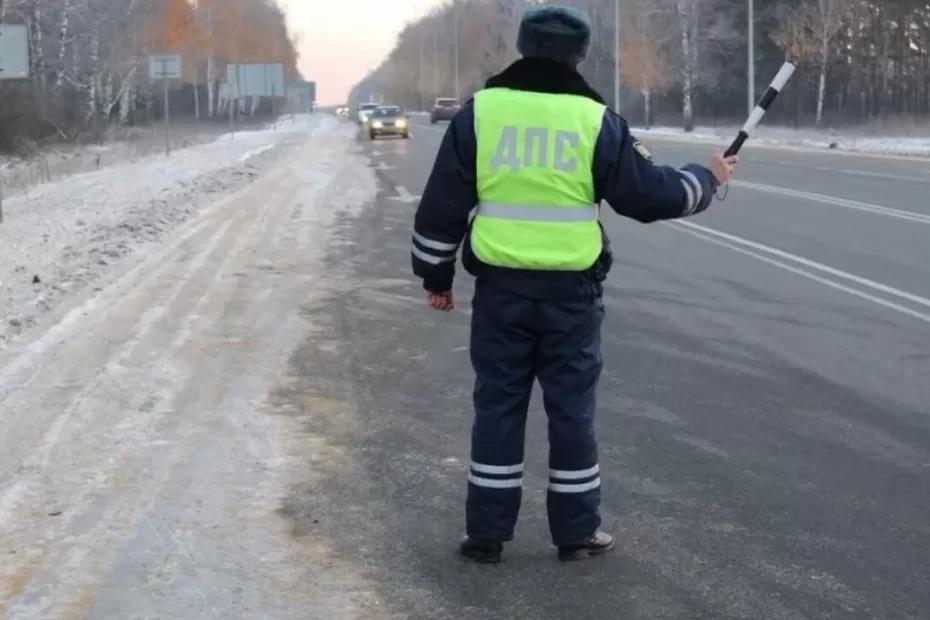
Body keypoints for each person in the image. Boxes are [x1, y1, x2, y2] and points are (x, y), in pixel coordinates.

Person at [411, 5, 738, 563]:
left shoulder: (480, 114)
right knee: (571, 412)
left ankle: (487, 535)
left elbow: (441, 206)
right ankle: (576, 533)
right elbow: (649, 195)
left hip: (501, 293)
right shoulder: (596, 121)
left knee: (498, 407)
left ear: (521, 47)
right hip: (572, 298)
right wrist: (708, 179)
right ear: (580, 56)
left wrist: (436, 276)